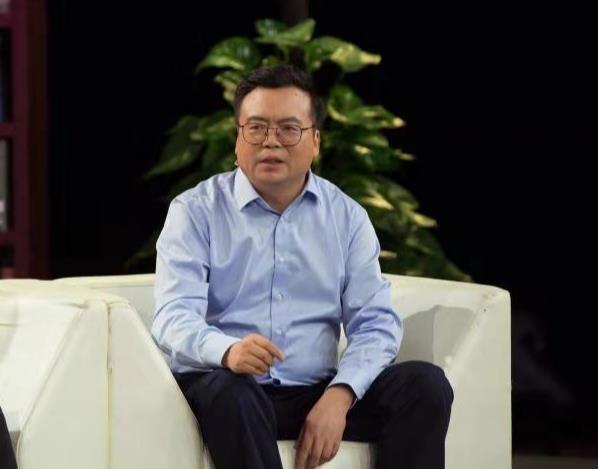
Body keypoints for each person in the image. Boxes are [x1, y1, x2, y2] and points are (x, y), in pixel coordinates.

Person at [152, 64, 453, 469]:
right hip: (227, 386)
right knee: (233, 393)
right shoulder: (195, 211)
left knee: (424, 385)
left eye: (289, 129)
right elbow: (172, 317)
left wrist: (340, 395)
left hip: (314, 391)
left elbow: (375, 325)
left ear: (315, 141)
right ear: (237, 140)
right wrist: (228, 351)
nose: (270, 141)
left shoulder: (347, 217)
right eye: (256, 128)